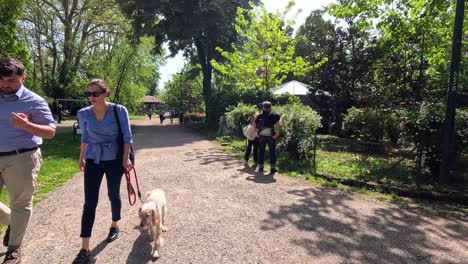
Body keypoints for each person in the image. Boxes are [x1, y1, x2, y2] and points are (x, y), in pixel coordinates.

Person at [0, 58, 56, 264]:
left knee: (20, 203)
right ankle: (13, 223)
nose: (6, 84)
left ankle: (14, 250)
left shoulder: (34, 101)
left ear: (23, 78)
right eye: (2, 80)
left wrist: (27, 126)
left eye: (12, 80)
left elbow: (50, 132)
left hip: (21, 157)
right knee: (16, 212)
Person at [72, 79, 133, 264]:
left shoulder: (118, 110)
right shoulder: (83, 113)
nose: (91, 97)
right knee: (89, 202)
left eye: (95, 93)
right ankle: (84, 248)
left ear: (106, 93)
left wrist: (126, 158)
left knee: (113, 193)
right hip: (93, 160)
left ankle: (114, 225)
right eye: (88, 94)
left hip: (114, 159)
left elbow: (127, 137)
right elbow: (86, 136)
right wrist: (81, 156)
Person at [253, 101, 280, 174]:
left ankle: (261, 167)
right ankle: (272, 168)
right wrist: (277, 134)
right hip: (271, 135)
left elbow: (254, 123)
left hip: (261, 135)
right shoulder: (275, 115)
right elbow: (277, 125)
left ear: (263, 107)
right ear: (271, 107)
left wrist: (255, 133)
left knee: (261, 151)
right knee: (272, 151)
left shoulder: (260, 115)